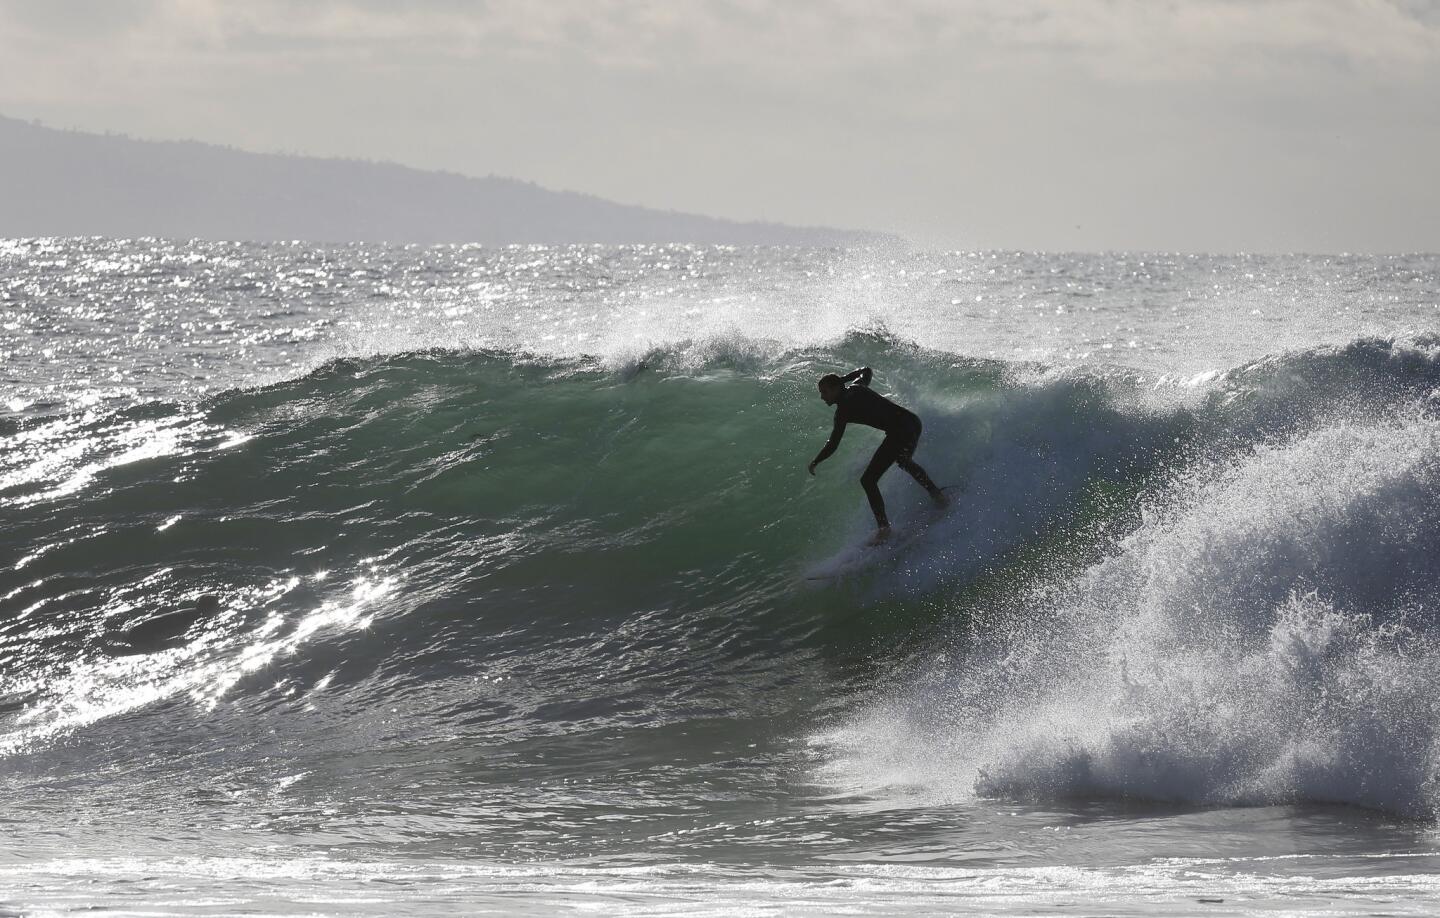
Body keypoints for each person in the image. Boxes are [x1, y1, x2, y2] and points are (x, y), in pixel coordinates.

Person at [808, 366, 947, 542]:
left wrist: (816, 461)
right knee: (903, 461)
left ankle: (884, 529)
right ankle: (938, 496)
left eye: (825, 392)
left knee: (868, 479)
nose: (822, 397)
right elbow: (866, 370)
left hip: (900, 430)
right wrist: (843, 380)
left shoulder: (842, 412)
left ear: (835, 389)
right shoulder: (857, 387)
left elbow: (833, 444)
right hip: (912, 422)